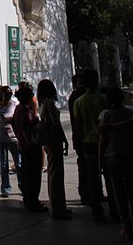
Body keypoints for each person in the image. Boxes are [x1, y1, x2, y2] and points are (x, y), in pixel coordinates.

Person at [73, 68, 114, 222]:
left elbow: (78, 126)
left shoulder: (78, 102)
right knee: (110, 177)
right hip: (107, 142)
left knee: (93, 178)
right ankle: (114, 209)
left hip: (89, 144)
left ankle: (97, 211)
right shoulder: (104, 99)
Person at [99, 87, 133, 239]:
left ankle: (126, 225)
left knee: (118, 191)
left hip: (112, 156)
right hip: (129, 154)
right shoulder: (129, 113)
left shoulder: (105, 115)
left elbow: (103, 139)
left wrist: (100, 158)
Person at [36, 79, 71, 220]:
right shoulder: (49, 104)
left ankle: (59, 206)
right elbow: (56, 124)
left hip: (48, 142)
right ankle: (58, 209)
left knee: (53, 174)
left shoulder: (42, 104)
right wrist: (65, 139)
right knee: (56, 175)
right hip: (54, 140)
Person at [12, 84, 46, 213]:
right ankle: (33, 201)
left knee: (27, 175)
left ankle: (29, 199)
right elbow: (29, 129)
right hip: (30, 146)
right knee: (33, 176)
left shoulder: (18, 109)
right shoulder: (26, 112)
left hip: (23, 145)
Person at [0, 85, 21, 198]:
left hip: (14, 138)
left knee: (19, 163)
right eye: (6, 93)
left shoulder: (14, 105)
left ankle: (22, 185)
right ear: (2, 94)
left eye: (10, 93)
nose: (9, 95)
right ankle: (5, 188)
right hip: (1, 139)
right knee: (4, 166)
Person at [68, 72, 87, 204]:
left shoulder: (77, 97)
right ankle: (85, 193)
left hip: (82, 138)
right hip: (81, 138)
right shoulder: (77, 98)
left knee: (86, 166)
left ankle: (90, 192)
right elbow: (77, 121)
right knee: (85, 166)